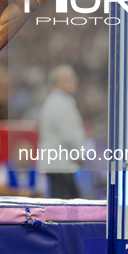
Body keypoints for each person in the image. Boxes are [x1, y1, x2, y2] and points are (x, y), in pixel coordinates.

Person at [37, 65, 86, 199]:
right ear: (60, 82)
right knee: (66, 206)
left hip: (60, 163)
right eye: (71, 79)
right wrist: (79, 154)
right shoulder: (59, 104)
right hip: (60, 164)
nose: (75, 82)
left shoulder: (58, 102)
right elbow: (69, 136)